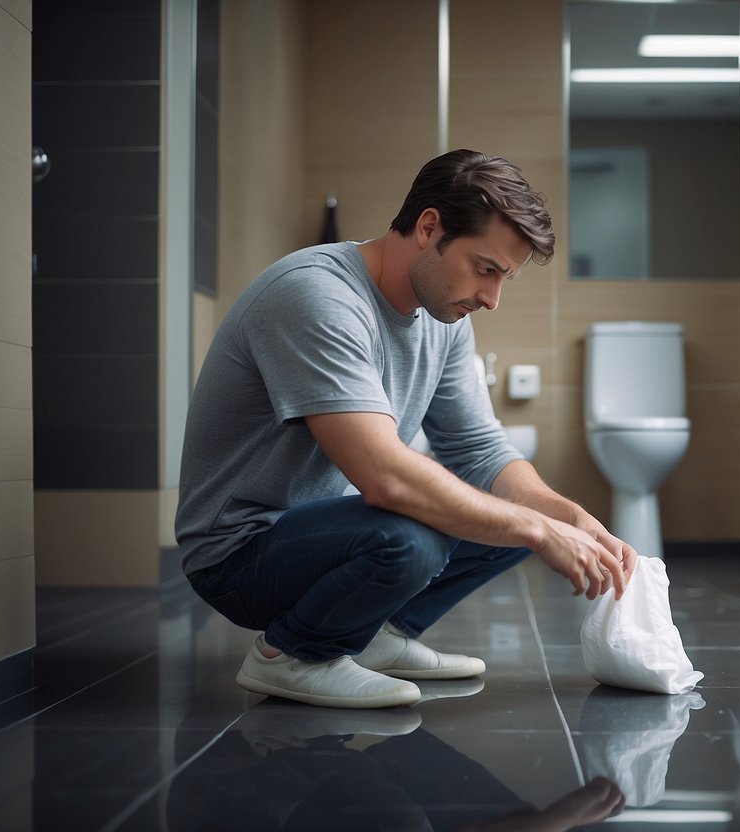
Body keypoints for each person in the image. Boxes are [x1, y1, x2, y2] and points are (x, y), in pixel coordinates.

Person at [176, 149, 637, 710]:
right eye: (486, 269)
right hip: (241, 554)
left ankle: (374, 637)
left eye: (504, 279)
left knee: (526, 511)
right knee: (416, 537)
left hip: (326, 531)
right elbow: (384, 480)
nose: (491, 299)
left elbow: (482, 451)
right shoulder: (317, 296)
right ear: (428, 227)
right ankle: (294, 654)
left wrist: (566, 519)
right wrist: (537, 531)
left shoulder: (443, 319)